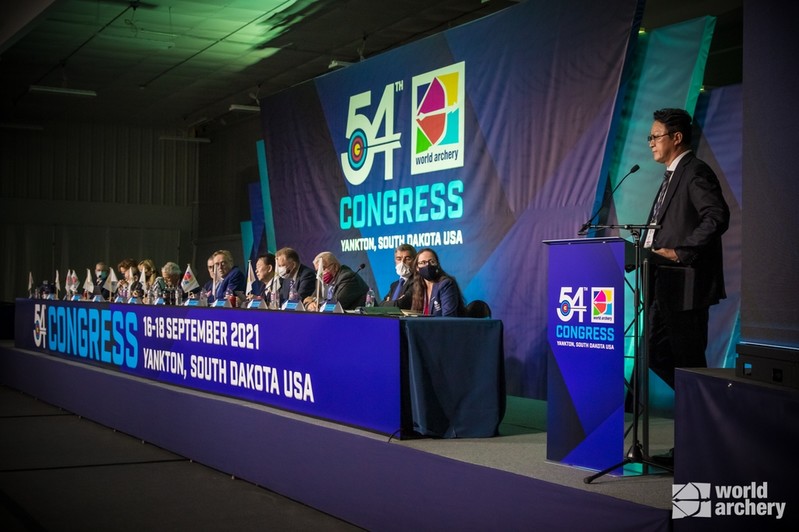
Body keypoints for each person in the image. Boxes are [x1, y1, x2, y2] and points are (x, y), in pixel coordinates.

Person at [643, 108, 729, 391]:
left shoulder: (695, 171)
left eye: (656, 136)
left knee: (689, 360)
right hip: (664, 283)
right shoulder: (672, 175)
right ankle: (701, 405)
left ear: (676, 137)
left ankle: (707, 408)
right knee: (654, 353)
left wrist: (681, 251)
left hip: (687, 285)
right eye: (649, 137)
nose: (651, 142)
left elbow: (716, 216)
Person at [410, 248, 465, 316]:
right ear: (417, 268)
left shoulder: (446, 284)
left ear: (438, 265)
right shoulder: (418, 286)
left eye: (432, 261)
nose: (428, 265)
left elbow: (448, 317)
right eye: (423, 262)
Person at [380, 244, 416, 309]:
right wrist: (394, 302)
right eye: (399, 259)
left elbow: (399, 305)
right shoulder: (394, 285)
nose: (402, 262)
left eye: (407, 259)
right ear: (395, 261)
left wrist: (389, 302)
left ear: (414, 261)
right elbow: (380, 305)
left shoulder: (417, 282)